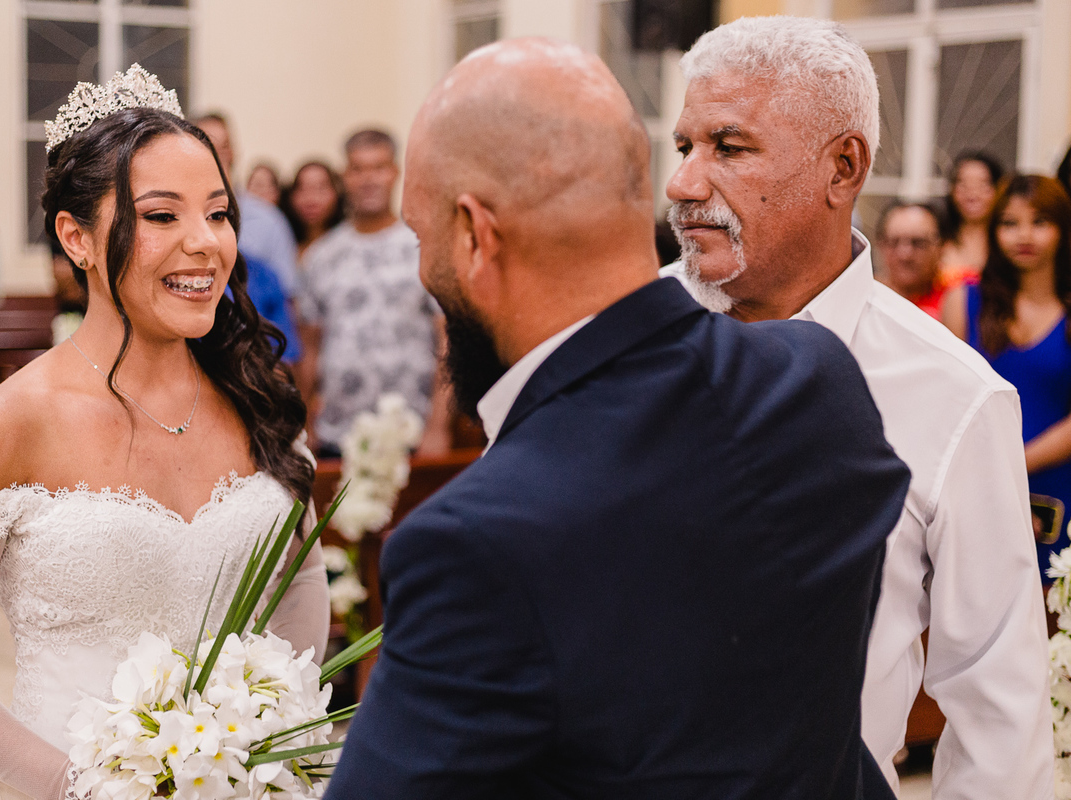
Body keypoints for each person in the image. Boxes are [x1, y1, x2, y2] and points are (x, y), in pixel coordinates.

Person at [327, 38, 911, 800]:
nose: (421, 269)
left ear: (475, 235)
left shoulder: (474, 544)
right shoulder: (816, 381)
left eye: (421, 236)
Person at [0, 66, 329, 800]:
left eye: (217, 214)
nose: (205, 244)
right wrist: (80, 785)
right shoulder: (4, 423)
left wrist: (268, 738)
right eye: (161, 216)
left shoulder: (259, 399)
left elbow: (301, 574)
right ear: (76, 237)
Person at [661, 16, 1051, 798]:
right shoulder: (617, 341)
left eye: (729, 148)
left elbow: (996, 707)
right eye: (685, 147)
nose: (684, 184)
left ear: (843, 167)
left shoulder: (953, 396)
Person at [943, 174, 1071, 585]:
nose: (1024, 235)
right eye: (1009, 222)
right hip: (976, 482)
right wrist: (996, 468)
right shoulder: (965, 300)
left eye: (1039, 221)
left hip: (1057, 487)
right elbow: (945, 400)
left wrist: (1016, 463)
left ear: (1063, 229)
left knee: (1055, 622)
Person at [297, 130, 451, 457]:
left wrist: (438, 427)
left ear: (395, 172)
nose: (369, 179)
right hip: (337, 436)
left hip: (409, 434)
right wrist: (304, 424)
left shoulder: (425, 248)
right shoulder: (321, 257)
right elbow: (309, 348)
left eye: (378, 167)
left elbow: (447, 341)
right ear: (345, 176)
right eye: (358, 169)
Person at [194, 113, 300, 302]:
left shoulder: (268, 220)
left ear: (234, 152)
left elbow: (285, 296)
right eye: (207, 143)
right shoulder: (179, 217)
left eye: (224, 146)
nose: (218, 155)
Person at [875, 201, 950, 318]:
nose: (905, 255)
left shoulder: (962, 297)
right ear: (880, 245)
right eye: (894, 242)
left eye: (918, 243)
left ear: (942, 247)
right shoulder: (866, 296)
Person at [940, 151, 1004, 284]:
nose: (973, 194)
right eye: (964, 185)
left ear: (999, 189)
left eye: (983, 185)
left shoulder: (1006, 242)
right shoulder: (938, 239)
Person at [281, 160, 345, 258]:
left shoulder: (348, 242)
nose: (311, 199)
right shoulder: (283, 244)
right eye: (302, 188)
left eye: (320, 188)